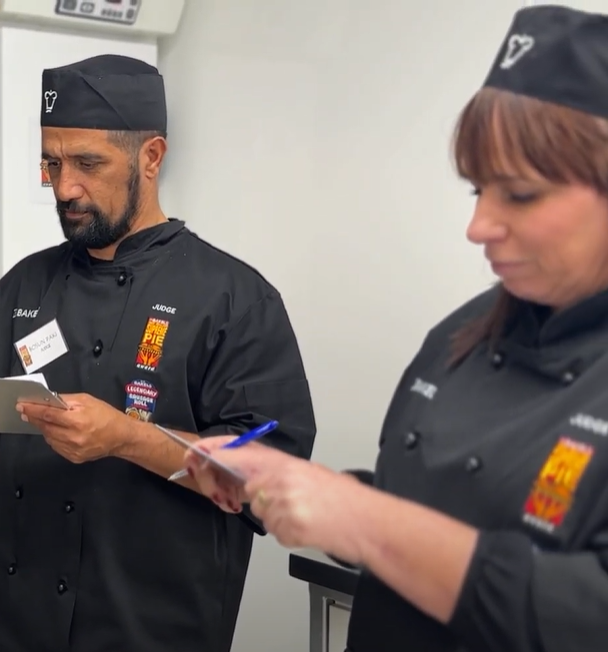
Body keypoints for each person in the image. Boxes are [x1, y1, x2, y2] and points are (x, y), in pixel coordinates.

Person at [185, 6, 608, 652]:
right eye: (475, 192)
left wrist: (363, 522)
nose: (477, 227)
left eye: (518, 194)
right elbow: (420, 505)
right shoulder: (459, 337)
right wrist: (308, 491)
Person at [0, 55, 318, 652]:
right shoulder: (24, 286)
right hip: (11, 625)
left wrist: (129, 438)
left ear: (151, 157)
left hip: (146, 628)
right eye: (50, 163)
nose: (64, 187)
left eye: (87, 163)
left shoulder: (234, 299)